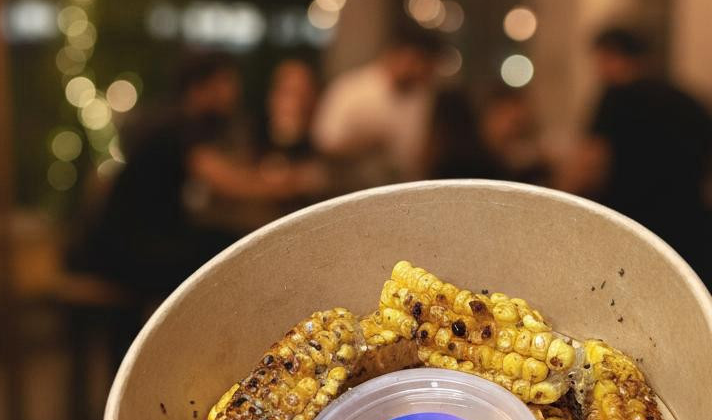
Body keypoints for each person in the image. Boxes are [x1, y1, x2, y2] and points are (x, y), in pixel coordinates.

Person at [70, 52, 321, 298]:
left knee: (220, 245)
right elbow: (231, 183)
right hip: (123, 251)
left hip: (119, 244)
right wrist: (297, 182)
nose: (233, 94)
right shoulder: (181, 126)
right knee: (230, 252)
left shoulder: (170, 118)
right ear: (202, 87)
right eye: (226, 83)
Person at [555, 27, 712, 278]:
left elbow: (590, 164)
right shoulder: (688, 99)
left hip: (632, 229)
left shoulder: (616, 97)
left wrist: (558, 203)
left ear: (611, 56)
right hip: (690, 229)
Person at [311, 32, 443, 183]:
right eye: (415, 62)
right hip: (352, 186)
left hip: (405, 185)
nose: (419, 71)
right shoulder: (351, 88)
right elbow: (324, 141)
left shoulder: (423, 96)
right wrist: (365, 143)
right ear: (394, 55)